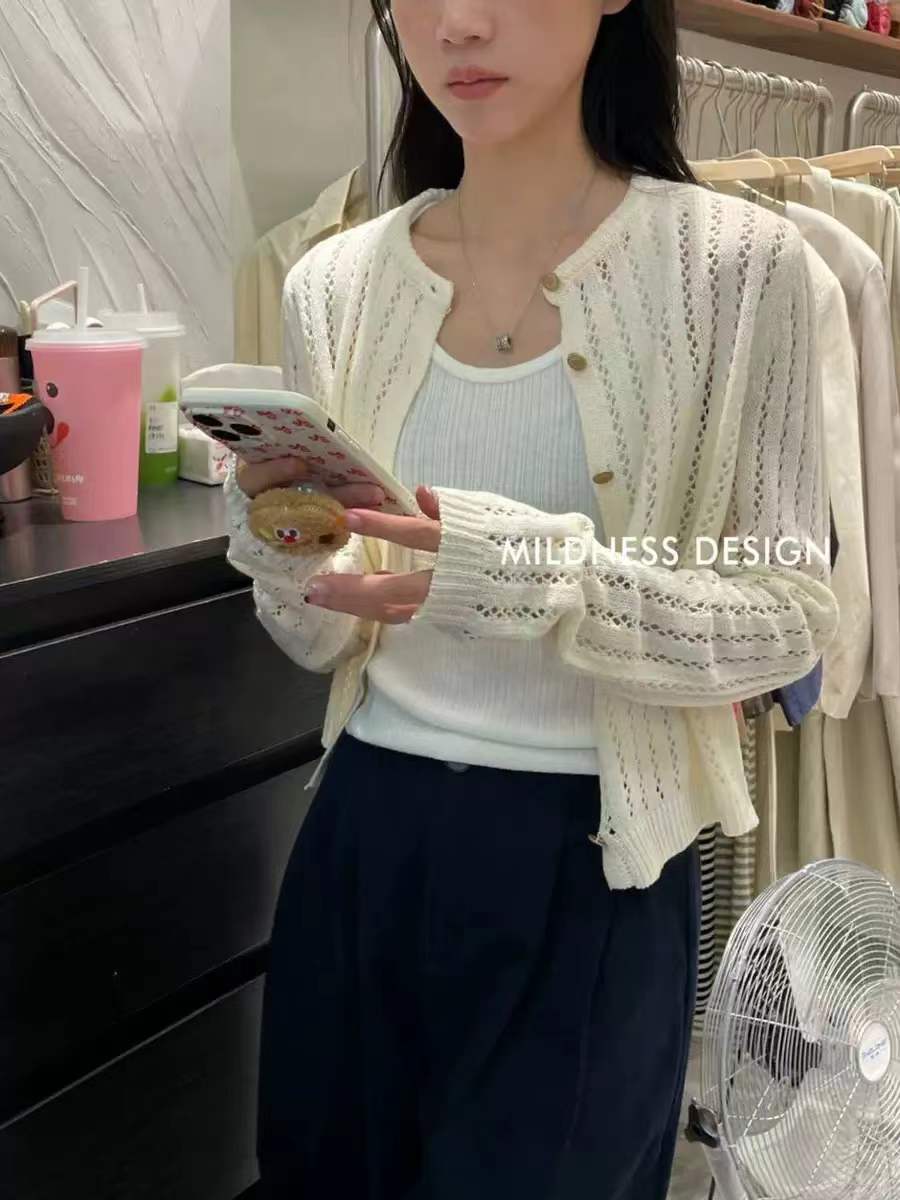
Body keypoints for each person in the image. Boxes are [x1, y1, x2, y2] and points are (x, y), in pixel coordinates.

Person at [223, 1, 840, 1196]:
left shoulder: (740, 267)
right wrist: (288, 547)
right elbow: (318, 636)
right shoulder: (332, 285)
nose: (459, 22)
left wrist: (534, 576)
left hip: (595, 864)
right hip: (363, 835)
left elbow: (787, 617)